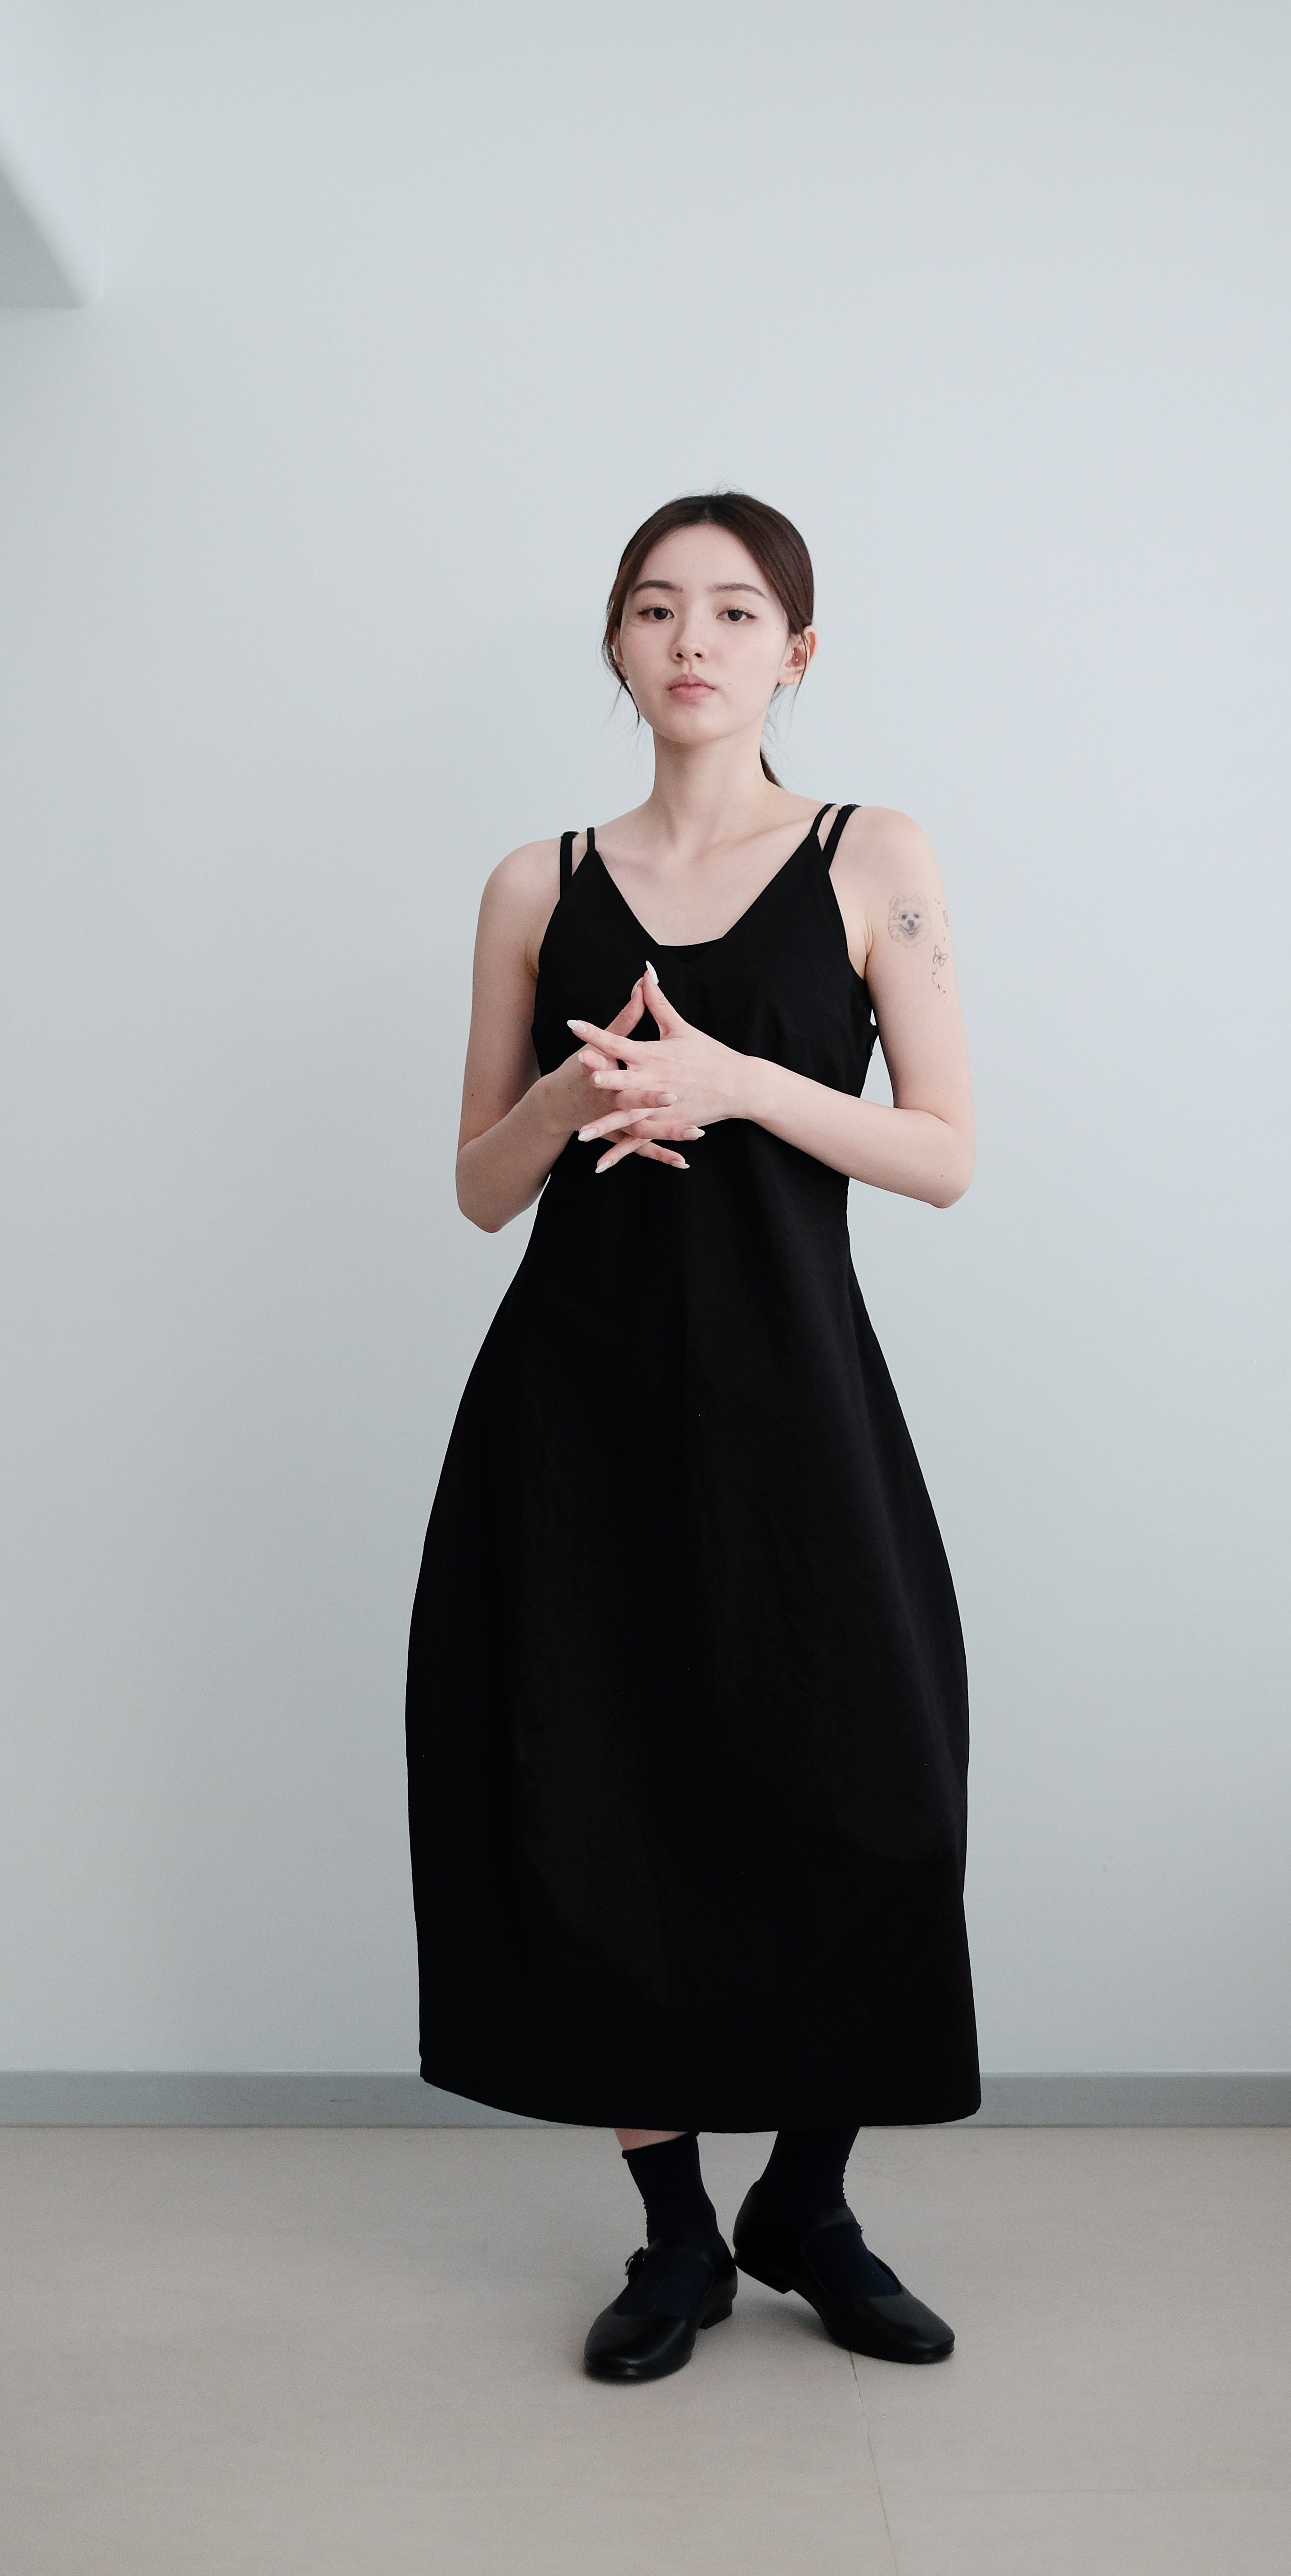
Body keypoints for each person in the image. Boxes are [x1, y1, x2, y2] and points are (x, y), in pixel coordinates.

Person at [406, 491, 980, 2383]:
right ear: (617, 646)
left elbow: (946, 1153)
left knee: (870, 1790)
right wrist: (578, 1094)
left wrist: (736, 1082)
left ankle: (806, 2202)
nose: (693, 641)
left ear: (795, 654)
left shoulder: (872, 855)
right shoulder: (535, 883)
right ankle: (675, 2237)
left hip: (798, 1398)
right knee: (598, 1802)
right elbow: (480, 1188)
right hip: (574, 1410)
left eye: (736, 612)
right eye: (656, 609)